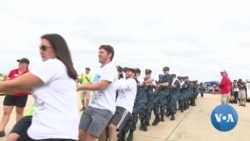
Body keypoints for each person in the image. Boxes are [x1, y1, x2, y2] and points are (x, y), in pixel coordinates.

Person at [0, 33, 79, 140]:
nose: (40, 51)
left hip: (53, 134)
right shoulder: (61, 69)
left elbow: (16, 84)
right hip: (54, 131)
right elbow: (16, 88)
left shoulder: (54, 64)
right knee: (12, 138)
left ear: (56, 49)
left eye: (43, 48)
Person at [77, 45, 117, 141]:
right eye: (98, 52)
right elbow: (92, 83)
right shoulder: (100, 70)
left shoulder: (111, 68)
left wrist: (81, 87)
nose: (98, 54)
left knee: (90, 137)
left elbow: (102, 86)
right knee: (80, 133)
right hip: (92, 106)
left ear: (109, 55)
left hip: (104, 109)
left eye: (101, 52)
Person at [99, 67, 137, 141]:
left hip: (125, 108)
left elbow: (119, 85)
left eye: (129, 71)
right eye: (126, 71)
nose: (127, 72)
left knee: (112, 127)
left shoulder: (132, 81)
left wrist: (113, 79)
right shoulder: (122, 80)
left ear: (134, 74)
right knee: (104, 126)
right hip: (115, 106)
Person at [0, 58, 30, 137]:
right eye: (19, 62)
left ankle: (18, 131)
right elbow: (7, 81)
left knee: (19, 113)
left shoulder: (29, 74)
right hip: (10, 95)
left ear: (26, 65)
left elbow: (26, 84)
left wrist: (13, 81)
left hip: (21, 96)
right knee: (6, 112)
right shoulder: (13, 71)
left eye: (21, 62)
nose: (19, 63)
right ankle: (1, 130)